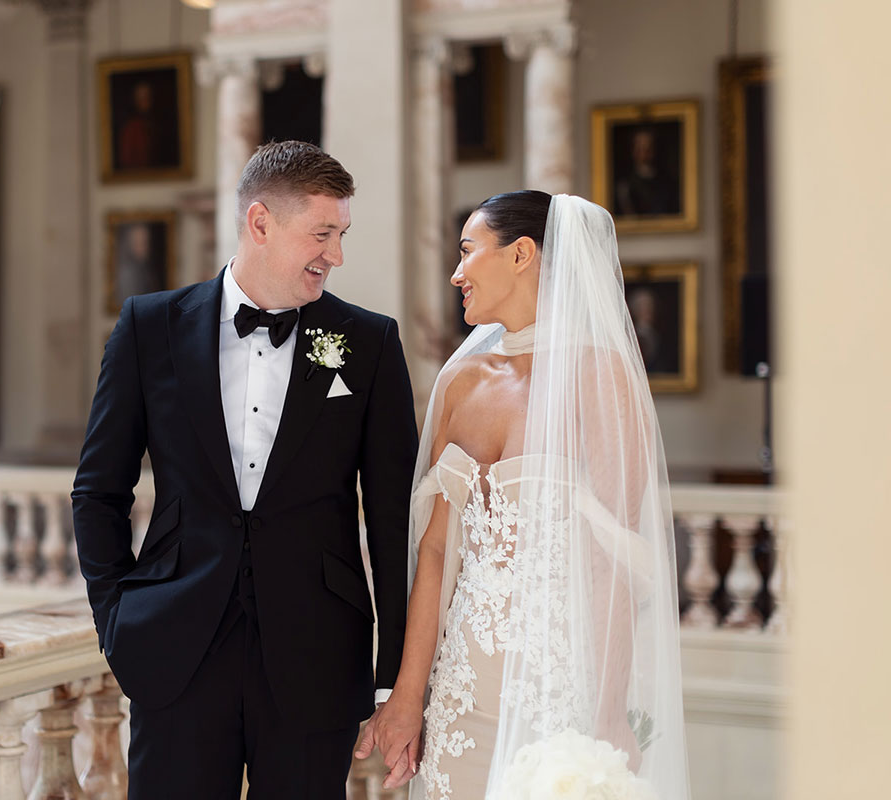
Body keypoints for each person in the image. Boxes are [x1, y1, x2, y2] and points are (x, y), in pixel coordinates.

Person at [72, 140, 418, 799]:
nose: (335, 255)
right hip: (175, 653)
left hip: (317, 660)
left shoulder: (367, 342)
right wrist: (117, 619)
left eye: (341, 234)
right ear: (260, 223)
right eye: (322, 233)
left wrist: (392, 679)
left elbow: (395, 519)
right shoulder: (149, 328)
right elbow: (98, 490)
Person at [357, 191, 689, 799]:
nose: (456, 274)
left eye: (467, 251)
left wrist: (609, 709)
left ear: (521, 254)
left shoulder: (602, 379)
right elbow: (434, 554)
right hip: (459, 698)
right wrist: (409, 697)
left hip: (559, 696)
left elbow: (614, 560)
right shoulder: (457, 383)